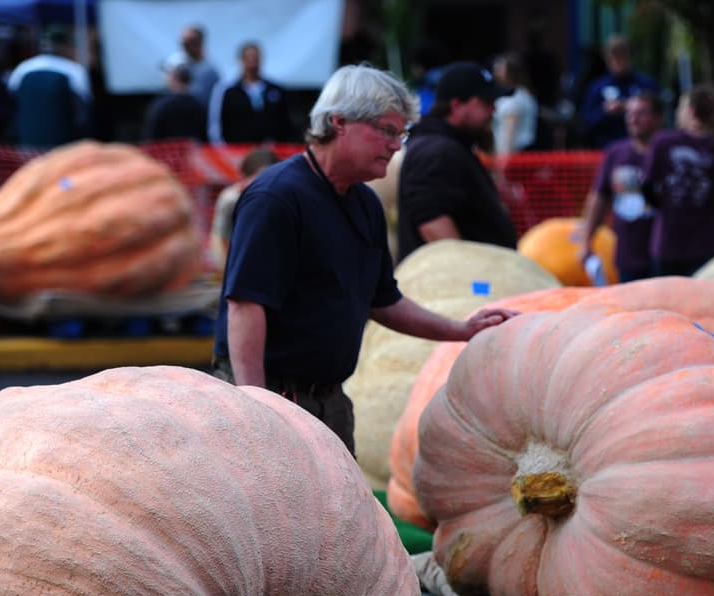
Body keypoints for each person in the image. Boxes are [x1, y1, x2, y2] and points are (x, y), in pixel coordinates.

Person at [211, 64, 517, 454]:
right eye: (387, 131)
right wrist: (256, 406)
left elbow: (383, 301)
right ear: (338, 122)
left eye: (400, 133)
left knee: (339, 514)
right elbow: (245, 305)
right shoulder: (276, 198)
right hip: (271, 393)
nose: (395, 145)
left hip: (330, 399)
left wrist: (461, 329)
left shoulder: (365, 203)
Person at [395, 61, 518, 262]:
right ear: (456, 105)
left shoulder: (452, 146)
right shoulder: (437, 150)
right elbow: (431, 222)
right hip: (450, 289)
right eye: (486, 102)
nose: (494, 110)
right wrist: (472, 276)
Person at [639, 84, 714, 276]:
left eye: (680, 108)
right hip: (708, 244)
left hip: (668, 242)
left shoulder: (663, 141)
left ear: (691, 111)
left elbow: (646, 185)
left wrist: (661, 207)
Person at [578, 90, 663, 283]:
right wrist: (586, 241)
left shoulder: (669, 151)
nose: (633, 119)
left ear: (658, 118)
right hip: (627, 254)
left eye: (641, 113)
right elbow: (599, 197)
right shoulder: (615, 153)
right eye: (629, 113)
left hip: (664, 254)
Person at [6, 26, 91, 148]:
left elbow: (12, 106)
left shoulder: (22, 68)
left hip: (26, 145)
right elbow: (83, 117)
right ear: (64, 45)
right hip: (61, 148)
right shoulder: (75, 71)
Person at [579, 35, 659, 149]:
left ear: (630, 57)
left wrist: (631, 107)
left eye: (622, 56)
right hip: (608, 148)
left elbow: (658, 115)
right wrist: (605, 111)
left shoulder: (645, 84)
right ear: (607, 59)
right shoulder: (597, 87)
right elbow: (586, 121)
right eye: (614, 56)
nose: (618, 61)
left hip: (642, 149)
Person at [208, 145, 279, 271]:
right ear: (243, 180)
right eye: (259, 181)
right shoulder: (231, 200)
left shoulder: (285, 197)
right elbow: (223, 239)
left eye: (269, 179)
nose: (264, 186)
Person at [207, 41, 294, 145]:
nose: (252, 62)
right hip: (236, 151)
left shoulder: (275, 90)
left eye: (256, 58)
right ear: (241, 60)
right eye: (248, 58)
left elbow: (284, 122)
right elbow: (216, 124)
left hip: (269, 151)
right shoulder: (227, 90)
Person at [140, 61, 206, 142]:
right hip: (193, 153)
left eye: (168, 73)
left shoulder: (161, 106)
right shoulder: (199, 105)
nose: (165, 77)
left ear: (174, 76)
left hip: (165, 153)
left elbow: (150, 138)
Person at [492, 52, 537, 157]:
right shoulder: (524, 94)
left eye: (500, 69)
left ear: (511, 71)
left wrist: (501, 166)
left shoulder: (514, 98)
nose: (496, 72)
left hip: (513, 158)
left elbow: (508, 136)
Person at [167, 25, 220, 107]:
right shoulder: (175, 63)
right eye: (184, 43)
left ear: (200, 43)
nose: (186, 47)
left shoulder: (210, 69)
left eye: (191, 43)